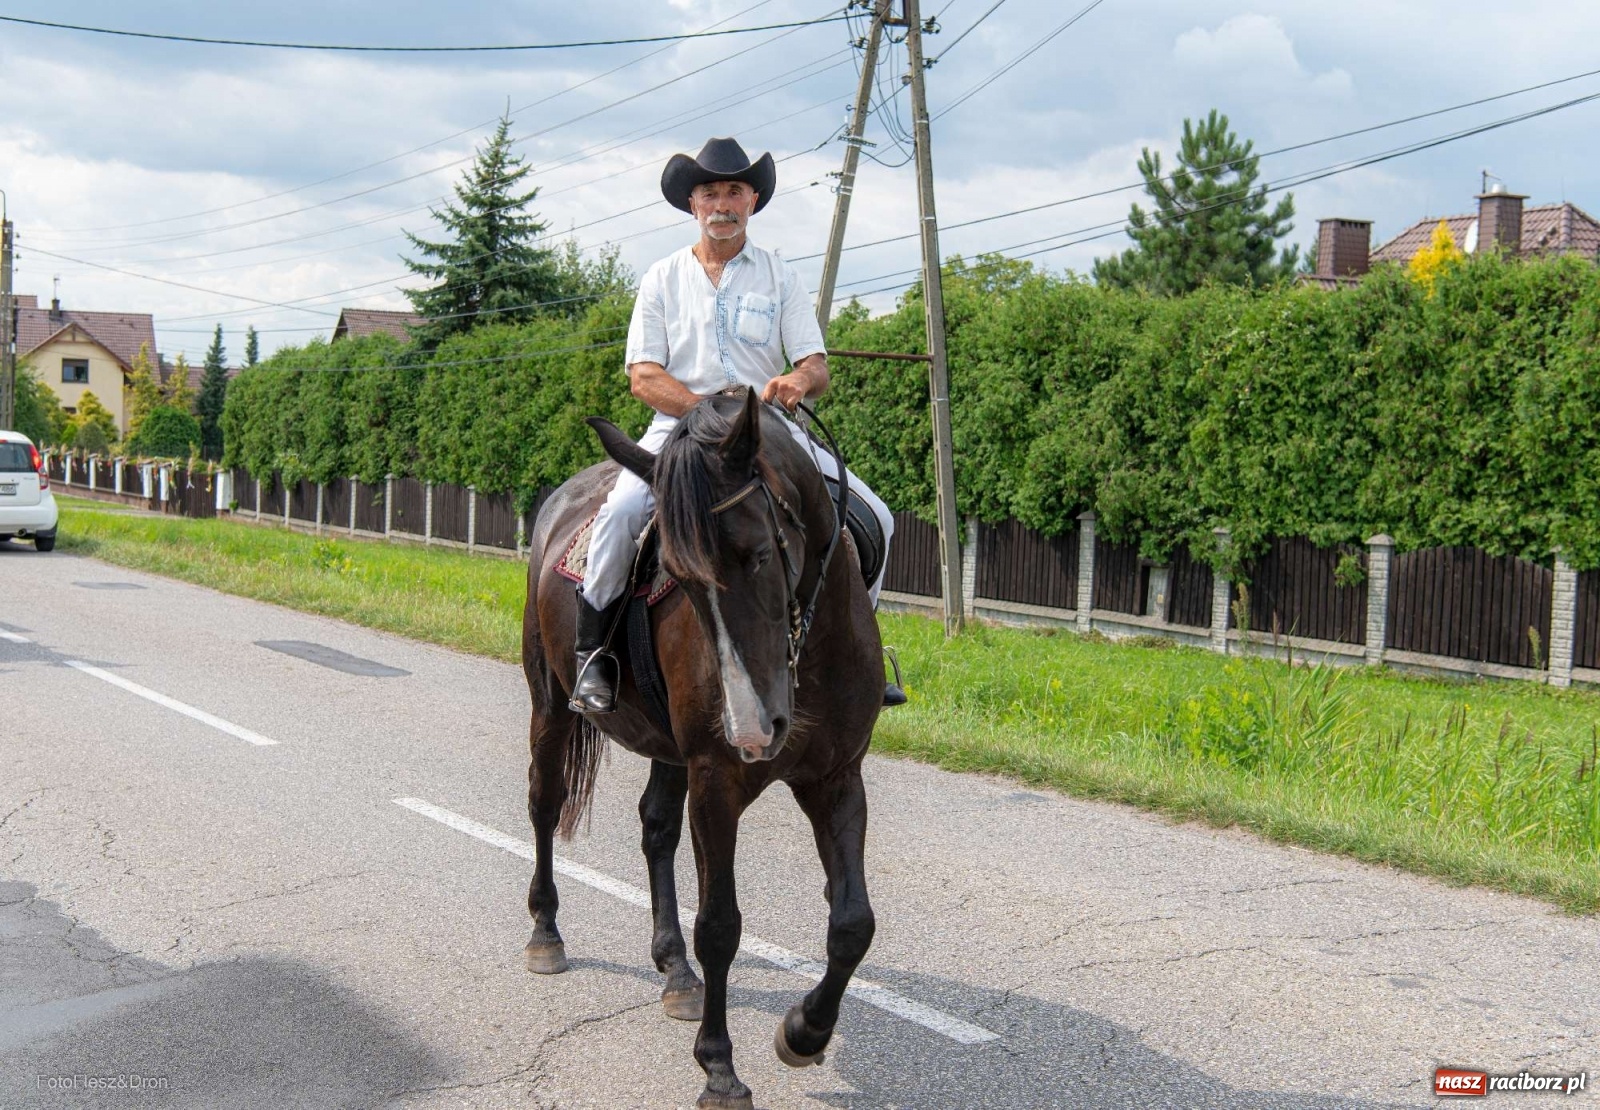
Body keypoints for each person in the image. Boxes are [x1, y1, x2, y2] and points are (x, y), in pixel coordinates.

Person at [573, 136, 905, 714]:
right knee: (622, 513)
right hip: (680, 429)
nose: (722, 204)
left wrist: (797, 381)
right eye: (710, 193)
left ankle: (861, 651)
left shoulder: (781, 277)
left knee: (877, 516)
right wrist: (703, 412)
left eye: (734, 191)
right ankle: (593, 652)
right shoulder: (661, 278)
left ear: (752, 200)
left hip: (766, 429)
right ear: (693, 203)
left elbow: (815, 364)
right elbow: (644, 377)